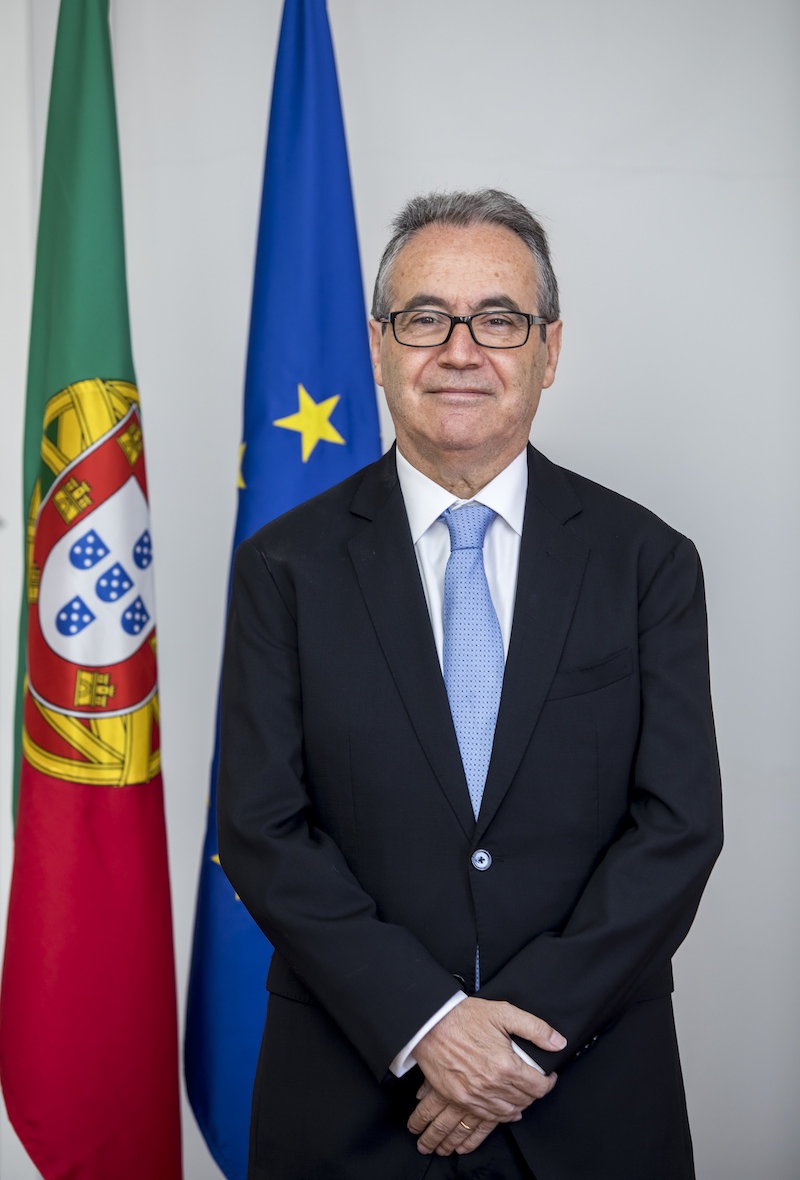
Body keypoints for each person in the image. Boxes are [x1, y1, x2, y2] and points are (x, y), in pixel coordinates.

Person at [218, 189, 723, 1179]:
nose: (459, 351)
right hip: (352, 1105)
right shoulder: (283, 567)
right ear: (377, 347)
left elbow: (675, 830)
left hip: (589, 1101)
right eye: (423, 318)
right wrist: (427, 1023)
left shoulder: (645, 563)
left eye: (497, 319)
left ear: (548, 348)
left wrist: (514, 1044)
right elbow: (261, 827)